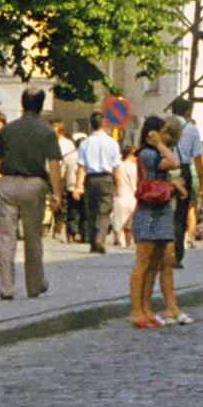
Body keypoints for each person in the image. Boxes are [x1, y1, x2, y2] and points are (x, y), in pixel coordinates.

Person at [0, 87, 63, 299]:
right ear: (41, 106)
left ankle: (6, 287)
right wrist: (56, 194)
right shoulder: (47, 132)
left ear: (22, 104)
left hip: (8, 184)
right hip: (34, 185)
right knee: (33, 237)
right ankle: (34, 285)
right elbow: (54, 165)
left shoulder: (8, 129)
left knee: (6, 236)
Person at [131, 114, 190, 328]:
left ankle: (146, 308)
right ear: (153, 133)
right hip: (148, 212)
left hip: (161, 209)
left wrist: (174, 186)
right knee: (143, 263)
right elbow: (174, 163)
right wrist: (158, 143)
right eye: (164, 132)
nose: (167, 136)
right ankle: (137, 311)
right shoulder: (147, 153)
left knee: (155, 263)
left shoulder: (155, 153)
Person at [76, 112, 121, 254]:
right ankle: (100, 237)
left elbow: (81, 166)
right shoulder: (112, 142)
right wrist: (119, 186)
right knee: (104, 211)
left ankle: (92, 242)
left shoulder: (85, 143)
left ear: (91, 125)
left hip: (90, 179)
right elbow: (116, 166)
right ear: (104, 124)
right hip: (107, 179)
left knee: (91, 211)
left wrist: (78, 186)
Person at [169, 99, 203, 266]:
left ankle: (163, 253)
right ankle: (177, 255)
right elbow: (198, 158)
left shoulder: (165, 126)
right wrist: (202, 181)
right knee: (181, 216)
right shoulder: (192, 129)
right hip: (184, 170)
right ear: (187, 113)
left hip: (166, 169)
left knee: (164, 211)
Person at [113, 139, 138, 247]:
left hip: (121, 198)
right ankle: (127, 245)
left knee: (118, 226)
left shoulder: (118, 166)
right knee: (129, 227)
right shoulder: (137, 168)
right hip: (134, 199)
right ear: (132, 155)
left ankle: (121, 245)